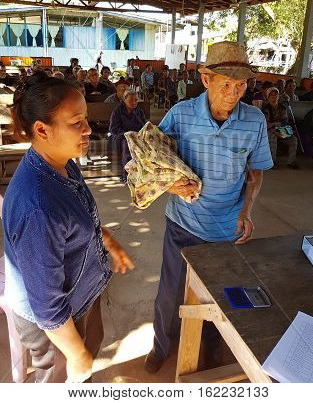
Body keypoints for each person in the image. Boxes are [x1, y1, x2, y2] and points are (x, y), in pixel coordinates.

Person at [144, 41, 273, 374]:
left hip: (226, 227)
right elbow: (150, 157)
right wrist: (170, 184)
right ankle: (162, 346)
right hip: (182, 225)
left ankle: (213, 348)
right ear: (206, 79)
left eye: (241, 85)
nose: (233, 92)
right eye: (226, 84)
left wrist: (246, 212)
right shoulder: (182, 114)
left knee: (221, 295)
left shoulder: (254, 120)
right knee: (171, 293)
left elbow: (255, 172)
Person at [3, 75, 134, 383]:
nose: (88, 129)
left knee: (85, 361)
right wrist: (76, 354)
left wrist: (107, 241)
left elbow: (79, 216)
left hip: (78, 294)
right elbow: (48, 308)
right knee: (60, 381)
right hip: (52, 323)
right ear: (42, 130)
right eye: (76, 122)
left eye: (85, 119)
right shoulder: (38, 208)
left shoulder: (62, 161)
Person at [109, 89, 146, 184]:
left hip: (136, 136)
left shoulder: (139, 111)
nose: (134, 103)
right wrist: (128, 135)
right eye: (131, 101)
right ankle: (125, 175)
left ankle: (142, 173)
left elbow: (144, 125)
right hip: (121, 137)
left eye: (136, 100)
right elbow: (114, 129)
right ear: (124, 100)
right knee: (127, 145)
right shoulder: (117, 111)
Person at [263, 87, 299, 170]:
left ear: (278, 96)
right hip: (269, 131)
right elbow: (266, 125)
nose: (274, 97)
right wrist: (275, 127)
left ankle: (291, 162)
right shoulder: (265, 109)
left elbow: (284, 122)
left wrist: (275, 125)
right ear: (268, 97)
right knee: (272, 137)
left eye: (276, 95)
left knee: (293, 139)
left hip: (280, 130)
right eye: (271, 95)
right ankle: (272, 161)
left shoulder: (282, 108)